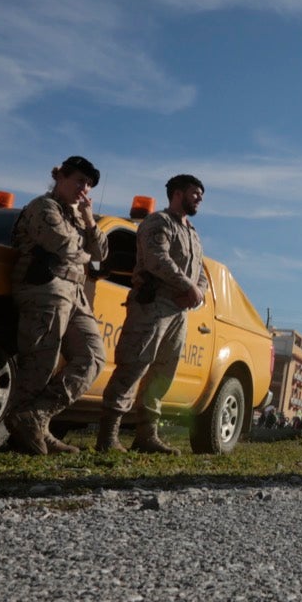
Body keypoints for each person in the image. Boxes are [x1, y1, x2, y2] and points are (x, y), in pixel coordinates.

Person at [5, 155, 109, 455]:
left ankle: (36, 417)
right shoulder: (43, 207)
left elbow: (101, 251)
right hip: (44, 287)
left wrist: (90, 221)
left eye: (88, 185)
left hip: (75, 292)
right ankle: (22, 429)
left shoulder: (79, 215)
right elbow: (65, 246)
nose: (84, 189)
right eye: (79, 180)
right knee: (41, 361)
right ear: (60, 177)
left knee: (92, 357)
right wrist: (88, 254)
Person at [97, 174, 208, 454]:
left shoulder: (192, 233)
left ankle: (146, 436)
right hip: (152, 306)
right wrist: (188, 286)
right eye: (195, 193)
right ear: (178, 194)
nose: (199, 199)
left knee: (162, 373)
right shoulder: (158, 222)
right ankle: (108, 437)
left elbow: (201, 274)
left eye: (201, 195)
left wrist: (198, 292)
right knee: (134, 366)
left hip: (179, 312)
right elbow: (157, 259)